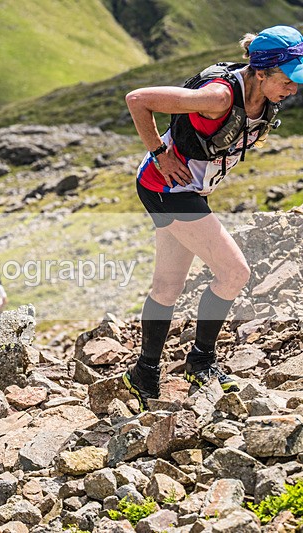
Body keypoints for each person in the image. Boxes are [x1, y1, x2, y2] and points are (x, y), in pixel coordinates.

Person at [122, 26, 302, 411]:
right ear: (261, 73)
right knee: (235, 272)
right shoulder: (218, 96)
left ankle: (144, 373)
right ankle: (201, 362)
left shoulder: (264, 95)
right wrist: (159, 153)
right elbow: (137, 99)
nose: (293, 90)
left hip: (183, 190)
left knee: (168, 287)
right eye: (287, 80)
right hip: (167, 187)